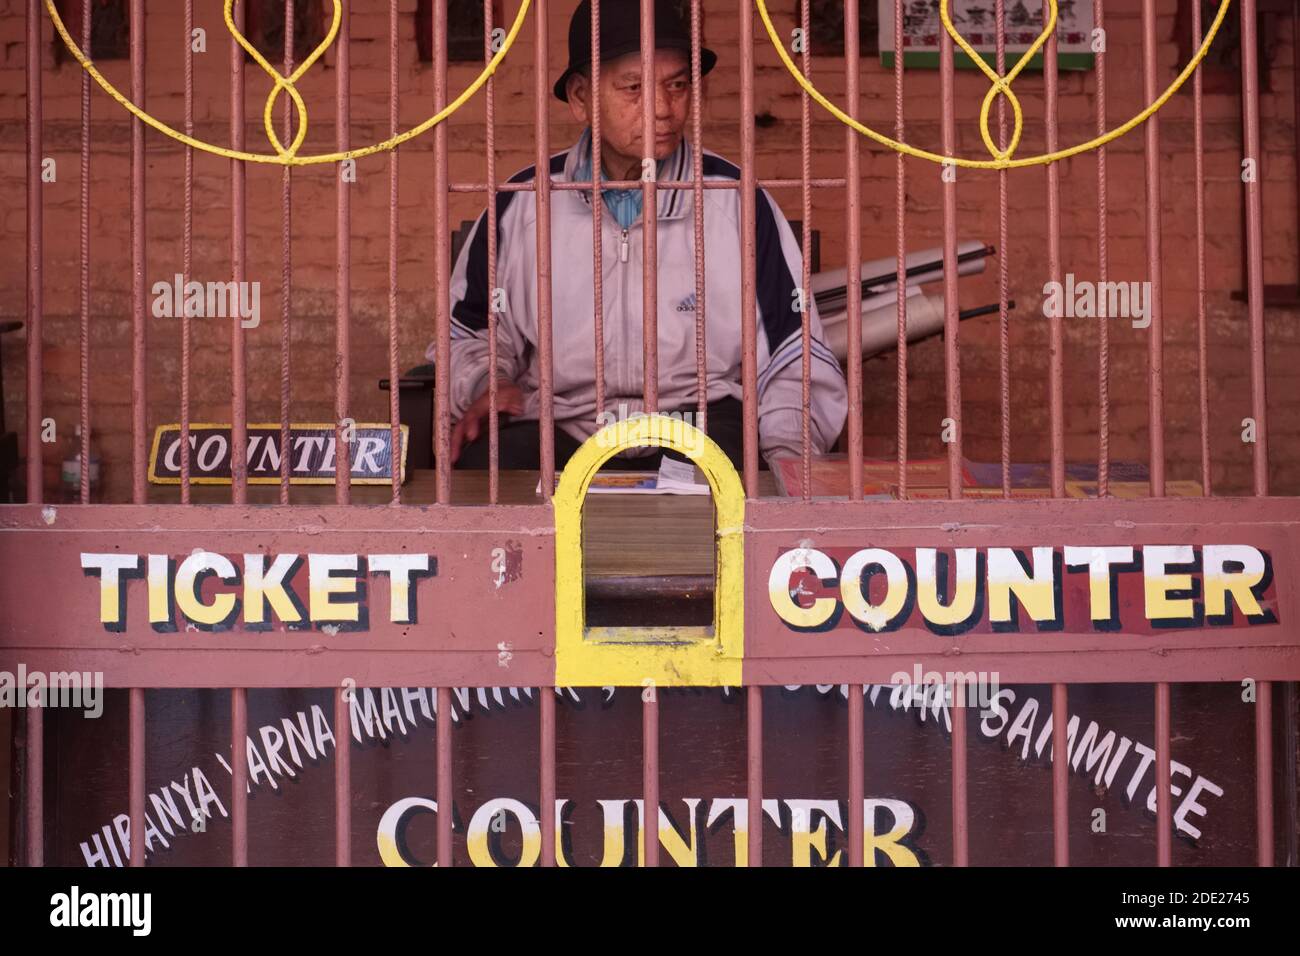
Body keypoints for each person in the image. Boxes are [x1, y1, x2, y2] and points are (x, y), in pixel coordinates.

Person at [437, 0, 847, 473]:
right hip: (565, 425)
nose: (662, 109)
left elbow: (794, 355)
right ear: (581, 98)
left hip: (704, 425)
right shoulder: (523, 201)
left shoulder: (737, 200)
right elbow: (469, 332)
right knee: (487, 478)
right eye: (633, 88)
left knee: (742, 482)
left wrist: (785, 458)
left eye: (676, 86)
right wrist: (490, 381)